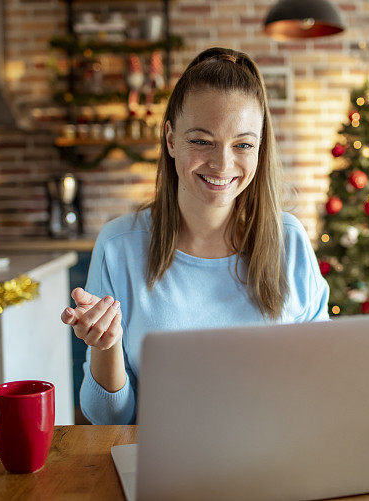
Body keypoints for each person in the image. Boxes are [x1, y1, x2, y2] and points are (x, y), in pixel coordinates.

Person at [61, 47, 330, 425]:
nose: (223, 164)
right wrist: (106, 348)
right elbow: (107, 420)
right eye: (202, 141)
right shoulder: (119, 247)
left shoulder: (290, 242)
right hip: (164, 469)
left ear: (260, 147)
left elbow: (322, 384)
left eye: (243, 144)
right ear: (171, 139)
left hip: (273, 461)